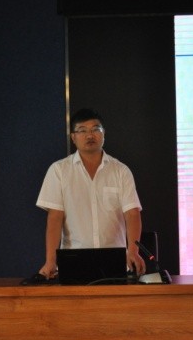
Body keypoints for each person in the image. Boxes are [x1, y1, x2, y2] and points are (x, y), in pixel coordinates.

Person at [36, 108, 146, 279]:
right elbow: (55, 218)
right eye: (82, 130)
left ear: (104, 134)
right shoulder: (59, 170)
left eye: (95, 129)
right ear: (73, 137)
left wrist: (133, 251)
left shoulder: (120, 171)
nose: (89, 135)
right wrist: (51, 260)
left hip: (115, 261)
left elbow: (132, 214)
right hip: (73, 261)